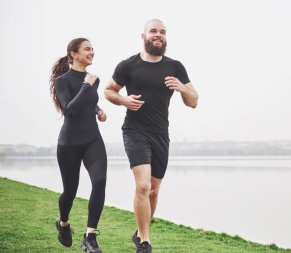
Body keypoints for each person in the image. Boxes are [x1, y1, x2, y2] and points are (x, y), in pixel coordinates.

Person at [104, 19, 199, 253]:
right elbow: (108, 91)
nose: (159, 35)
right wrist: (124, 100)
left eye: (163, 32)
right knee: (144, 186)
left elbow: (194, 101)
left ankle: (139, 231)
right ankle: (145, 241)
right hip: (135, 131)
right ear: (143, 36)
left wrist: (182, 87)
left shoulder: (175, 67)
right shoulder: (128, 65)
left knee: (154, 190)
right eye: (154, 31)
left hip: (160, 133)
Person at [49, 38, 107, 253]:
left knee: (99, 181)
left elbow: (89, 101)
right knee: (70, 192)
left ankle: (90, 237)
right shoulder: (63, 81)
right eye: (87, 49)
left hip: (93, 139)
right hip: (69, 144)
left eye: (93, 48)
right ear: (74, 54)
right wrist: (86, 85)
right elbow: (70, 110)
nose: (92, 52)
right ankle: (63, 222)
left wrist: (98, 110)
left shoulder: (93, 79)